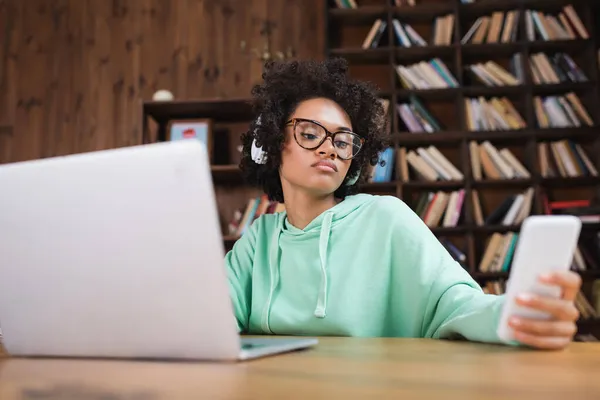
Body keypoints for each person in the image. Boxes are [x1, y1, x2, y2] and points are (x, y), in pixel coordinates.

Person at [225, 57, 582, 350]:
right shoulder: (259, 239)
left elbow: (455, 302)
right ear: (269, 143)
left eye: (343, 140)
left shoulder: (386, 217)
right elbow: (211, 315)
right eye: (309, 133)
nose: (329, 147)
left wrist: (514, 314)